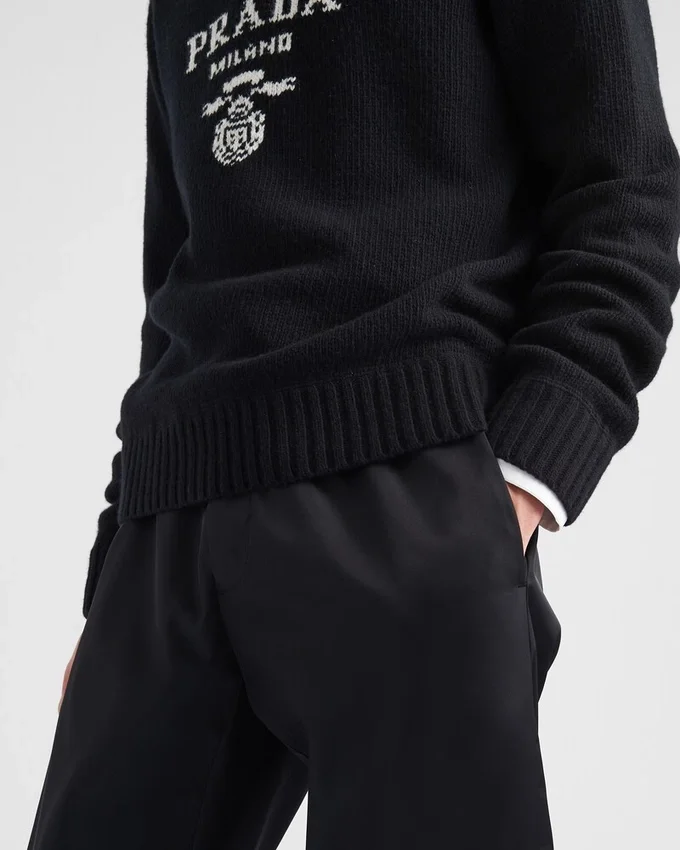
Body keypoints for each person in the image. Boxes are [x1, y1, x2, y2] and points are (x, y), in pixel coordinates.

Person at [28, 0, 680, 848]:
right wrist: (115, 561)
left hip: (408, 493)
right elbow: (174, 285)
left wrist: (516, 486)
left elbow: (624, 191)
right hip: (169, 530)